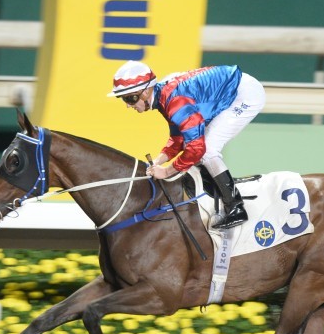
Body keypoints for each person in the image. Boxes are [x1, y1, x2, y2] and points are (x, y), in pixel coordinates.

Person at [108, 60, 266, 230]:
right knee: (199, 148)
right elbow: (178, 138)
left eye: (129, 98)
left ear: (146, 91)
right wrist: (158, 161)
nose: (127, 105)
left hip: (245, 95)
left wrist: (168, 171)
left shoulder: (175, 102)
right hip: (230, 88)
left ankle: (236, 207)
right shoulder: (163, 97)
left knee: (207, 149)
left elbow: (196, 149)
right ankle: (216, 195)